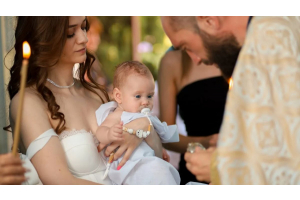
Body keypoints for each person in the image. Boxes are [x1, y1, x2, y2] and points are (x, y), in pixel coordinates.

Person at [5, 16, 162, 185]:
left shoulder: (97, 94)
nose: (84, 38)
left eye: (84, 27)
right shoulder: (29, 101)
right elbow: (58, 181)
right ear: (46, 37)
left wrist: (144, 127)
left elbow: (156, 159)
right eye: (70, 33)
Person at [161, 16, 300, 184]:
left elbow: (289, 156)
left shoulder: (269, 36)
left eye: (186, 46)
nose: (196, 60)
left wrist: (220, 166)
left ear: (208, 20)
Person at [95, 61, 180, 185]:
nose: (145, 102)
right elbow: (100, 132)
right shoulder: (118, 114)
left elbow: (150, 139)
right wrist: (109, 133)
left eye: (150, 96)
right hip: (130, 167)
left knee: (162, 173)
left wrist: (160, 150)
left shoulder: (146, 117)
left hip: (147, 164)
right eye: (138, 96)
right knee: (160, 173)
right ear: (119, 96)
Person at [158, 49, 228, 184]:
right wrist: (205, 142)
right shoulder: (172, 62)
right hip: (197, 170)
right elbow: (167, 137)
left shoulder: (237, 50)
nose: (196, 59)